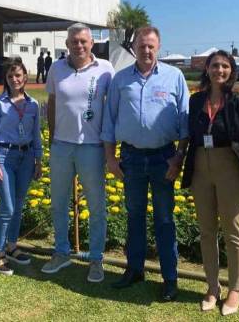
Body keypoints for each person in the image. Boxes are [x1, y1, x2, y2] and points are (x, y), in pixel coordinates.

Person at [101, 26, 189, 301]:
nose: (146, 50)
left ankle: (170, 278)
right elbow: (109, 120)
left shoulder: (174, 77)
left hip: (165, 158)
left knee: (164, 219)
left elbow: (185, 123)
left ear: (158, 47)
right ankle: (134, 269)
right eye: (141, 46)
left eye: (151, 46)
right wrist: (110, 159)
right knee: (134, 216)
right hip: (131, 158)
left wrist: (179, 158)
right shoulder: (120, 79)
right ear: (134, 48)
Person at [181, 50, 239, 316]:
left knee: (232, 230)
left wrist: (233, 158)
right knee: (206, 230)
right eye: (215, 65)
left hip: (230, 168)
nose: (219, 70)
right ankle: (212, 287)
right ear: (207, 69)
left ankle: (235, 289)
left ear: (231, 71)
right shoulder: (196, 100)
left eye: (225, 66)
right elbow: (192, 133)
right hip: (201, 167)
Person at [41, 23, 115, 283]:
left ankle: (96, 259)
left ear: (91, 43)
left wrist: (110, 146)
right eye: (74, 41)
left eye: (83, 41)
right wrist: (52, 138)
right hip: (61, 146)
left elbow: (113, 108)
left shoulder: (106, 69)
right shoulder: (56, 68)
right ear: (67, 45)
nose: (79, 45)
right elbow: (51, 103)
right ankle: (61, 253)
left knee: (97, 206)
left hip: (92, 148)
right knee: (58, 203)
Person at [0, 57, 43, 275]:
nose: (14, 79)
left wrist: (39, 160)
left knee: (18, 206)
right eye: (10, 76)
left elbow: (35, 134)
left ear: (25, 77)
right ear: (6, 79)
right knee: (7, 208)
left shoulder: (33, 104)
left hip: (26, 157)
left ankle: (12, 246)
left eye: (18, 75)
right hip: (3, 156)